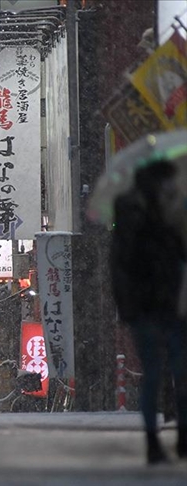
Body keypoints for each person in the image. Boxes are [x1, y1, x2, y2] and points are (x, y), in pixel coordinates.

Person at [110, 160, 186, 464]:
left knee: (178, 373)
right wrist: (128, 306)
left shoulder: (175, 211)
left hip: (173, 302)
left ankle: (180, 436)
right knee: (155, 373)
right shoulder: (133, 213)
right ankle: (154, 440)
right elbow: (122, 264)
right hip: (150, 306)